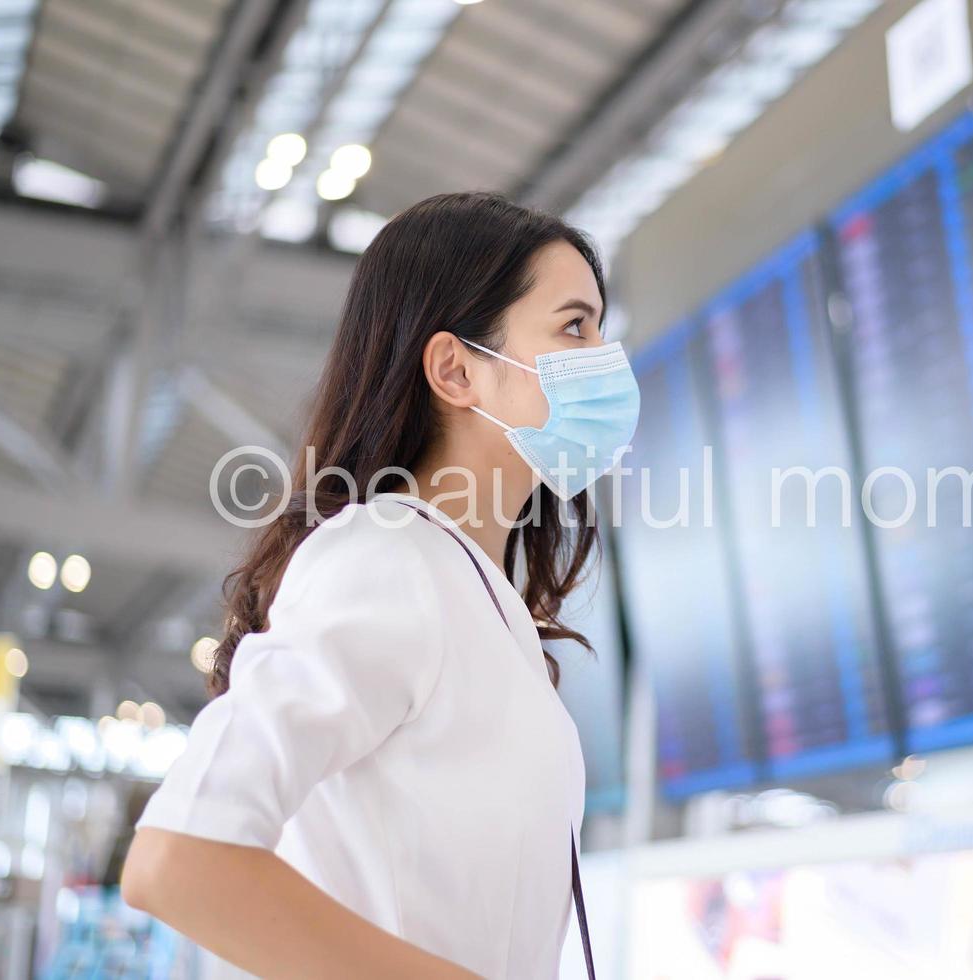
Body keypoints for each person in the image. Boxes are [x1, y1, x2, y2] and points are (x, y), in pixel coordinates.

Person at [121, 192, 639, 980]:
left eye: (601, 326)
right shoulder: (387, 558)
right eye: (574, 326)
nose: (605, 356)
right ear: (456, 369)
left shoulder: (478, 596)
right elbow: (183, 856)